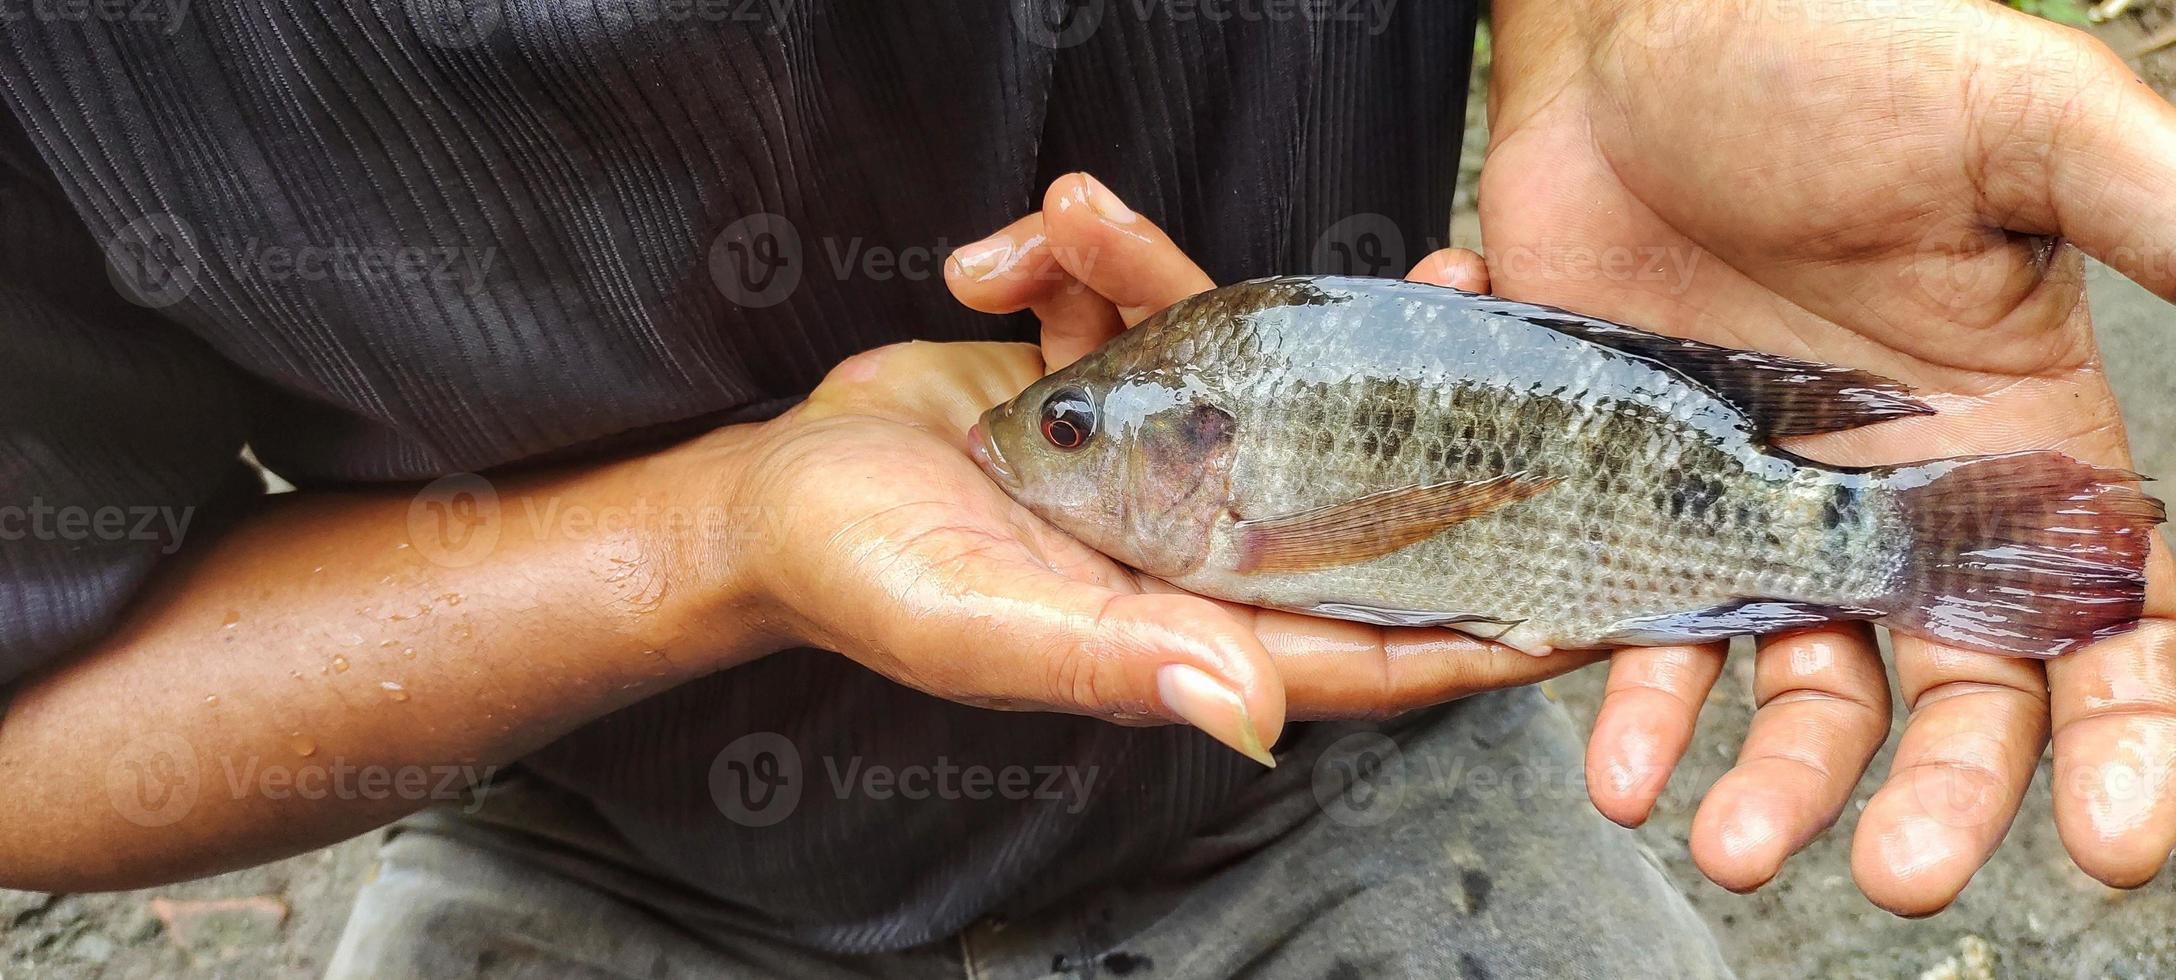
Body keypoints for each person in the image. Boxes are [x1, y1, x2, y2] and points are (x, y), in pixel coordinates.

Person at [0, 0, 2169, 976]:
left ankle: (1899, 542)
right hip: (600, 841)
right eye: (1055, 438)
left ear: (1198, 460)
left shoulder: (1233, 484)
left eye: (1072, 434)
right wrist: (717, 545)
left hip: (1361, 770)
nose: (1024, 451)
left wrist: (1606, 31)